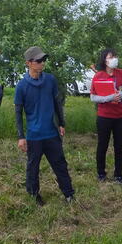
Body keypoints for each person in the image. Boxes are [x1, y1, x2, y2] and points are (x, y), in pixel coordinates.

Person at [14, 46, 75, 205]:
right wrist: (21, 136)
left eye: (44, 60)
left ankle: (69, 194)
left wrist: (61, 123)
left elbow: (57, 103)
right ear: (28, 63)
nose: (42, 63)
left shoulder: (50, 80)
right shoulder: (21, 86)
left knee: (60, 164)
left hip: (51, 133)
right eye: (39, 60)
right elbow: (18, 113)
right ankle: (34, 195)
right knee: (33, 168)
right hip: (34, 135)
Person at [90, 49, 122, 184]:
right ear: (105, 60)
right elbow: (93, 97)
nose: (114, 59)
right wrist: (109, 97)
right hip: (104, 117)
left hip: (120, 116)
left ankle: (118, 175)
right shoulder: (98, 76)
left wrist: (121, 95)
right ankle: (101, 173)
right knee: (103, 145)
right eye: (111, 57)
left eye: (115, 56)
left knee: (120, 146)